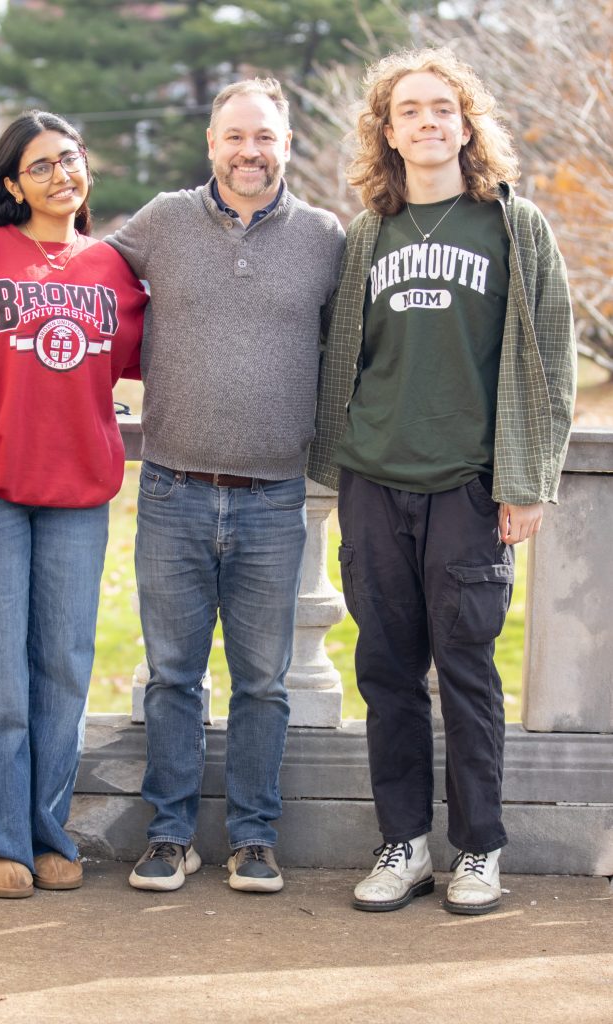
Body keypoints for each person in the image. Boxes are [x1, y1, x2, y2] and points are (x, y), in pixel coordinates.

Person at [307, 48, 576, 915]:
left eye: (442, 109)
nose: (427, 122)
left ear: (466, 127)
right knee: (385, 671)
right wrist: (331, 463)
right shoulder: (366, 235)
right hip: (373, 481)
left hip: (467, 484)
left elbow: (552, 360)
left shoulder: (512, 226)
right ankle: (403, 845)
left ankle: (478, 848)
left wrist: (527, 479)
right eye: (409, 111)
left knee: (465, 671)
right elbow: (340, 358)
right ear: (386, 133)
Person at [107, 78, 344, 894]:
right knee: (172, 676)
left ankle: (252, 837)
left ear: (287, 145)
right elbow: (78, 273)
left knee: (262, 683)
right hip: (171, 488)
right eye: (235, 136)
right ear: (211, 143)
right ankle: (169, 834)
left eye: (265, 137)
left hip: (274, 497)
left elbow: (355, 344)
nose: (250, 151)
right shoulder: (161, 222)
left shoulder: (324, 237)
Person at [0, 111, 147, 899]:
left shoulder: (111, 267)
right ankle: (0, 839)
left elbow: (150, 355)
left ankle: (48, 832)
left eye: (71, 158)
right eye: (41, 165)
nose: (62, 175)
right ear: (13, 184)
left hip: (78, 499)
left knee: (63, 670)